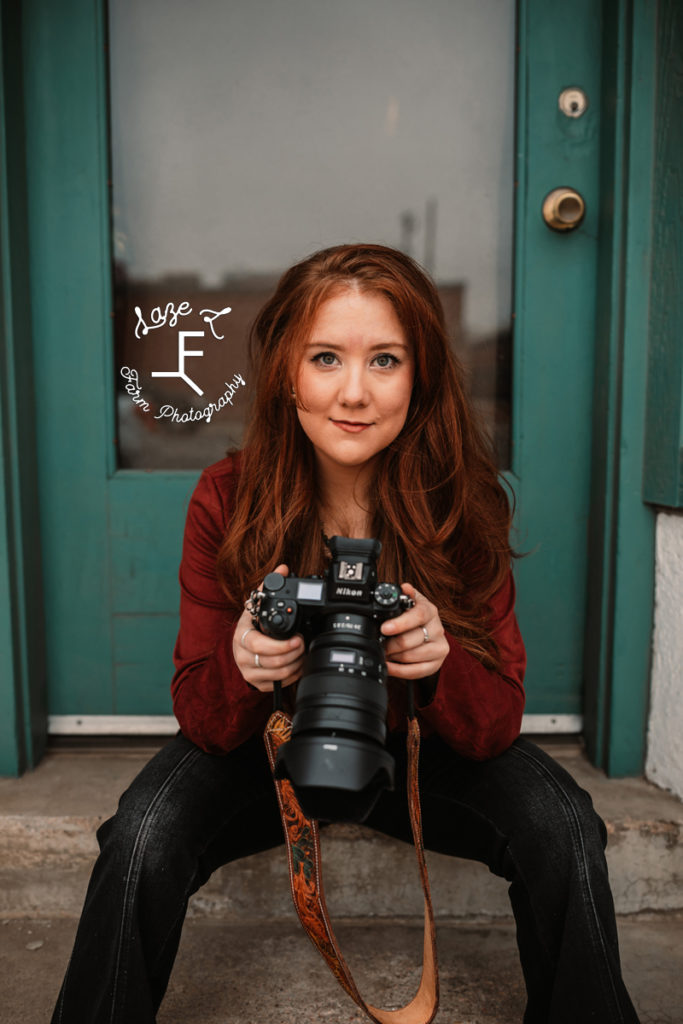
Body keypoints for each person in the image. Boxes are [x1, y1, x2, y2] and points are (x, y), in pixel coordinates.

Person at [51, 243, 639, 1023]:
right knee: (140, 834)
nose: (354, 393)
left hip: (418, 755)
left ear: (420, 376)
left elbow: (495, 721)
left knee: (565, 824)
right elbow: (201, 713)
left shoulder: (465, 502)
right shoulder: (228, 496)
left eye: (386, 360)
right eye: (325, 357)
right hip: (271, 748)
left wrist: (437, 665)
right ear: (285, 374)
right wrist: (245, 662)